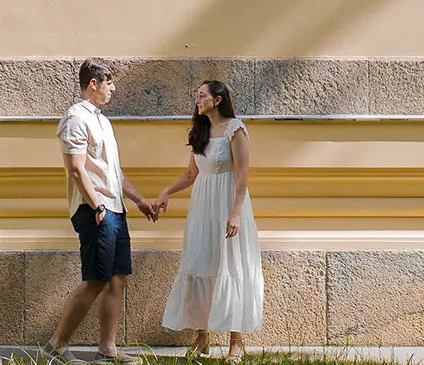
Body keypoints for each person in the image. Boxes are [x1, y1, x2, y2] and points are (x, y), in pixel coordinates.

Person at [45, 58, 160, 365]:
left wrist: (138, 200)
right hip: (94, 210)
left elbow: (114, 172)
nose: (113, 88)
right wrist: (97, 206)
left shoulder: (102, 121)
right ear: (92, 84)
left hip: (114, 210)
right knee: (96, 279)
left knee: (118, 278)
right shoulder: (75, 118)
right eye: (108, 82)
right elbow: (76, 170)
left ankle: (107, 350)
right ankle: (56, 345)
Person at [158, 81, 263, 363]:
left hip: (228, 204)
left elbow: (242, 175)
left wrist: (236, 213)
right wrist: (166, 191)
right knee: (201, 263)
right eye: (197, 95)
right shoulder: (200, 132)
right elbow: (191, 175)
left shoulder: (235, 129)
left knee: (231, 265)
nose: (197, 99)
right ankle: (202, 336)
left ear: (217, 100)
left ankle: (235, 342)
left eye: (202, 95)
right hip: (202, 210)